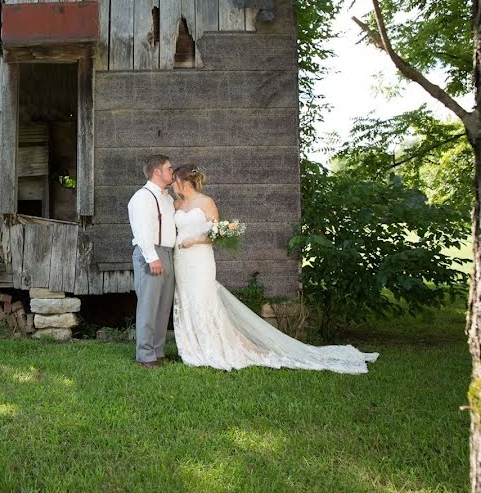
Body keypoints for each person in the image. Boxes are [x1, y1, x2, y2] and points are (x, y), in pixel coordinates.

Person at [170, 163, 380, 374]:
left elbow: (218, 234)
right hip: (181, 260)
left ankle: (211, 345)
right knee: (187, 297)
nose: (172, 185)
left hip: (199, 259)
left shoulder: (206, 202)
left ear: (184, 182)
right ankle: (192, 345)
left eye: (175, 181)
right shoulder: (177, 205)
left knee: (203, 298)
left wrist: (195, 240)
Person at [127, 155, 177, 368]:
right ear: (157, 171)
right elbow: (142, 229)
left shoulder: (167, 197)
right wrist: (151, 256)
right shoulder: (143, 196)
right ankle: (145, 355)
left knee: (163, 306)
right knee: (149, 305)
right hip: (152, 254)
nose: (172, 172)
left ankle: (158, 350)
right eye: (169, 168)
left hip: (167, 253)